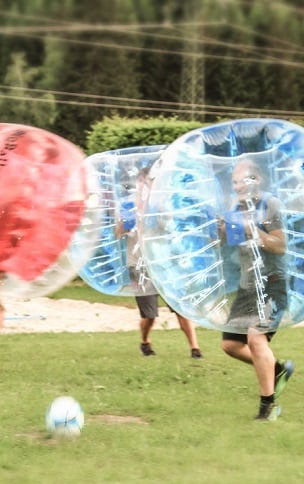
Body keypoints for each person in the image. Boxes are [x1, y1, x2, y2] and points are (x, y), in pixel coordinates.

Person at [219, 158, 294, 421]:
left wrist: (253, 230)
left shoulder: (269, 204)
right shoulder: (235, 207)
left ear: (258, 180)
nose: (239, 186)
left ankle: (268, 406)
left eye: (245, 180)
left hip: (272, 282)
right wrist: (221, 232)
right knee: (229, 344)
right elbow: (232, 244)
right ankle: (276, 369)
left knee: (255, 337)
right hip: (247, 284)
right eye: (235, 182)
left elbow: (280, 245)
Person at [115, 167, 203, 358]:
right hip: (138, 266)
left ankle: (195, 348)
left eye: (151, 182)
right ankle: (145, 342)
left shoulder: (161, 206)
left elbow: (171, 231)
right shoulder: (128, 206)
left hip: (164, 265)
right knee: (149, 315)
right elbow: (118, 233)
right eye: (145, 182)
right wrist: (124, 223)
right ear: (139, 182)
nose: (147, 186)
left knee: (180, 306)